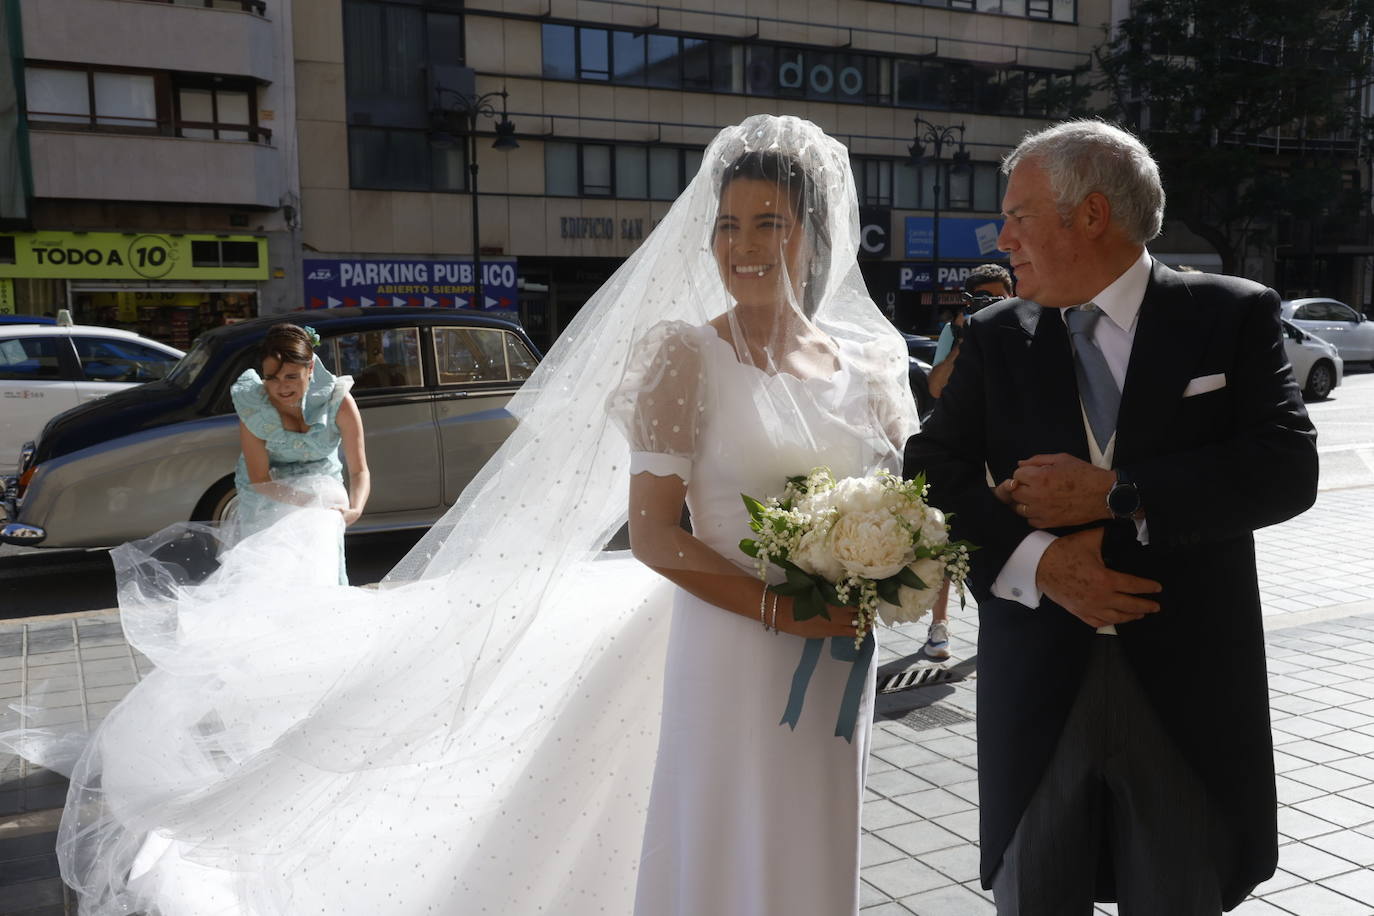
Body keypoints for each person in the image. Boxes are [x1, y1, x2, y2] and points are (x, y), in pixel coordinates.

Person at [16, 115, 917, 916]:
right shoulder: (685, 356)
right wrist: (780, 605)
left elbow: (897, 502)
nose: (744, 244)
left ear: (811, 236)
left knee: (820, 815)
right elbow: (653, 534)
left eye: (770, 222)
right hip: (731, 646)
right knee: (725, 828)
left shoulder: (865, 364)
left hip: (838, 652)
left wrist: (897, 571)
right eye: (728, 224)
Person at [906, 119, 1317, 914]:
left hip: (1188, 692)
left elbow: (1286, 469)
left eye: (1019, 215)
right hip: (1036, 690)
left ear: (1089, 215)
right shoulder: (996, 337)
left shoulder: (1230, 316)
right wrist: (1040, 564)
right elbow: (929, 474)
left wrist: (1120, 491)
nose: (1003, 237)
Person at [230, 323, 369, 583]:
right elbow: (259, 480)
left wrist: (355, 509)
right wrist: (311, 504)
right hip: (266, 492)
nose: (281, 388)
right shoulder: (254, 406)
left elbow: (359, 469)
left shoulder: (339, 403)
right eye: (272, 378)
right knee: (271, 574)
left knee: (320, 570)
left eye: (291, 376)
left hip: (323, 487)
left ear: (311, 368)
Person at [922, 264, 1013, 659]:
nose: (991, 306)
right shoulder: (957, 333)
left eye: (998, 299)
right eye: (982, 301)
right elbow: (937, 386)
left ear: (1013, 296)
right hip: (964, 448)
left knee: (1007, 538)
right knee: (947, 537)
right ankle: (939, 625)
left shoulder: (1025, 324)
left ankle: (1005, 621)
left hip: (1010, 448)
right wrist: (963, 339)